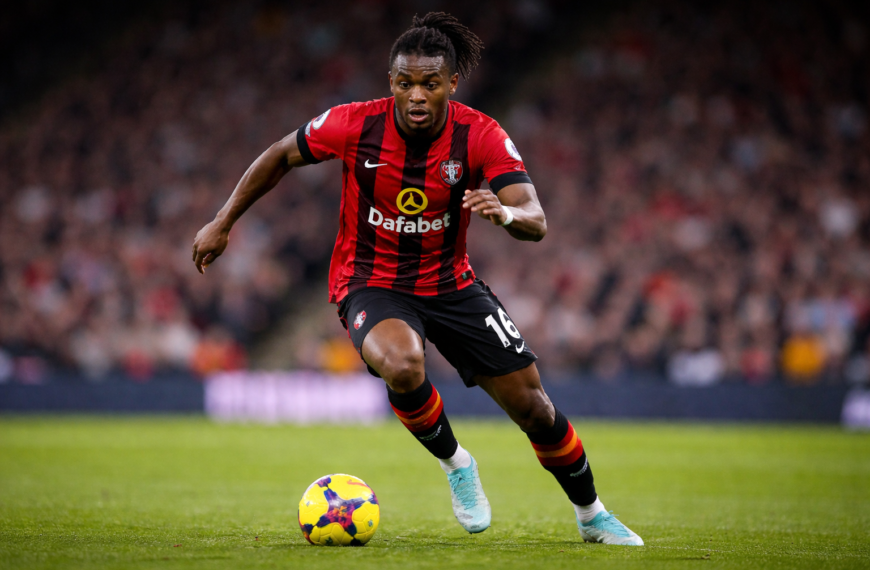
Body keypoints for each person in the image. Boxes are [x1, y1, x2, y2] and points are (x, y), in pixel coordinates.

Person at [192, 12, 643, 546]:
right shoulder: (354, 123)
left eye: (430, 83)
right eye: (405, 82)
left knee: (535, 409)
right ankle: (457, 464)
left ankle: (592, 515)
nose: (417, 95)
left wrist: (505, 214)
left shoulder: (480, 134)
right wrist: (223, 222)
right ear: (391, 82)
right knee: (403, 365)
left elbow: (535, 219)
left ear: (452, 83)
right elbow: (280, 155)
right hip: (371, 281)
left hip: (452, 285)